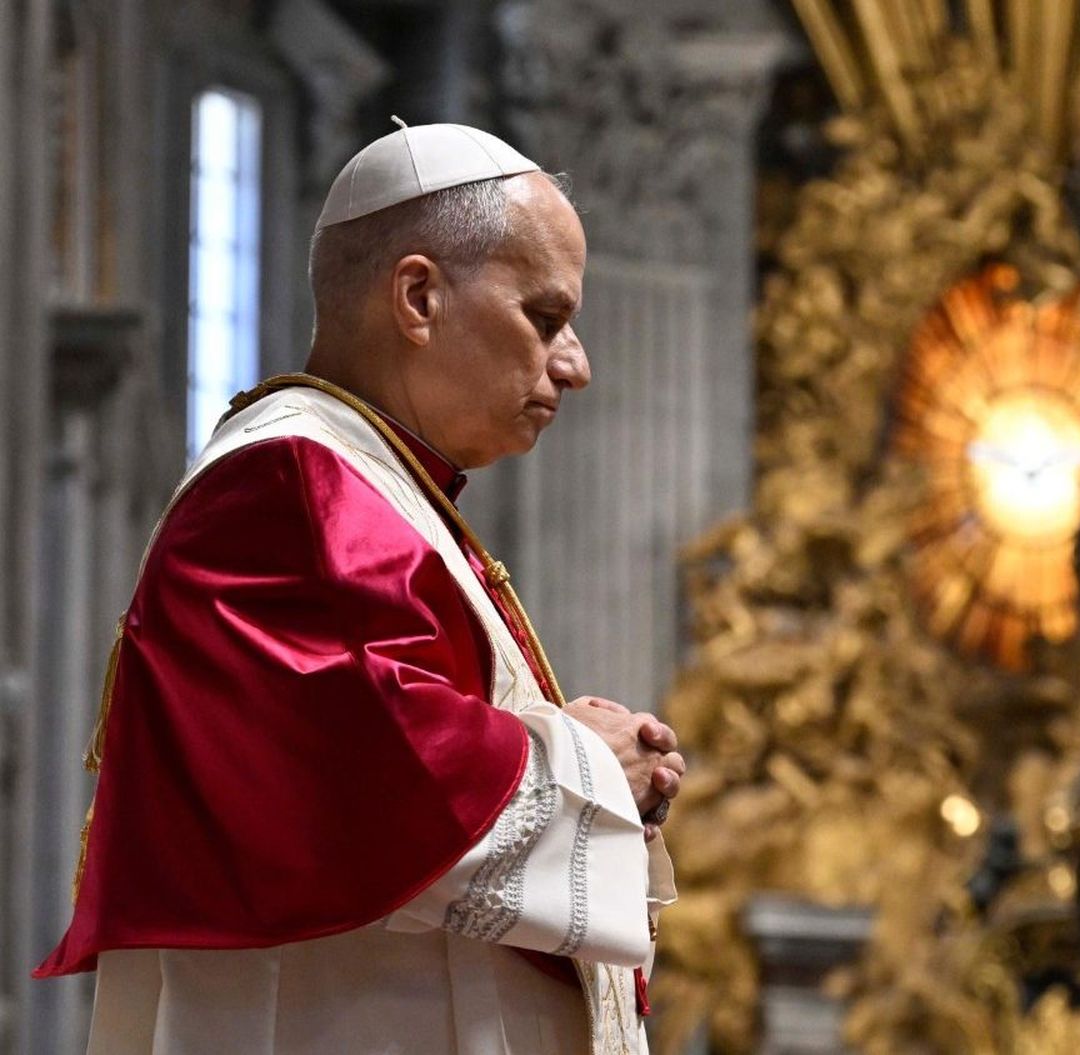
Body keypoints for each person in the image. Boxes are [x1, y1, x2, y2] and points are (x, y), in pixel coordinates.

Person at [34, 120, 682, 1054]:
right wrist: (587, 765)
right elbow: (379, 779)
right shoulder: (291, 485)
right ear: (418, 296)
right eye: (545, 318)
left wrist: (598, 767)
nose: (575, 364)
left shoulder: (380, 487)